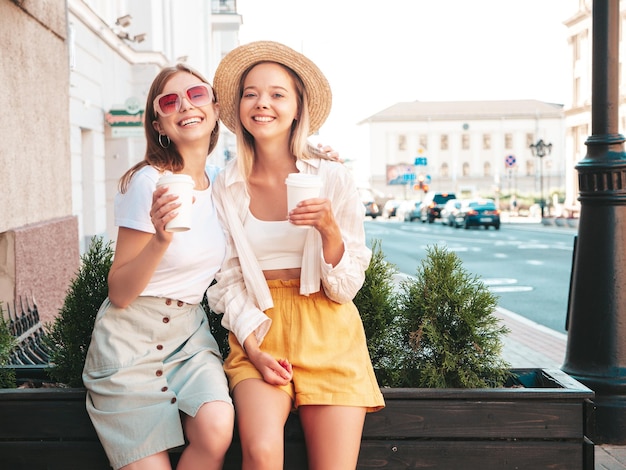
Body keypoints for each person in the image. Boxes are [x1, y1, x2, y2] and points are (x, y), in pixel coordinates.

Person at [207, 40, 385, 470]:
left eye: (276, 93)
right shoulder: (225, 188)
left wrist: (327, 228)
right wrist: (253, 348)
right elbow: (227, 280)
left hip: (328, 329)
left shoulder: (332, 177)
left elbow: (347, 287)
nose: (262, 103)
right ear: (239, 107)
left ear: (297, 108)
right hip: (260, 327)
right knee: (263, 453)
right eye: (251, 93)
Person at [82, 64, 234, 470]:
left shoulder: (223, 184)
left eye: (197, 94)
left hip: (188, 336)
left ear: (215, 108)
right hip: (129, 339)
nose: (186, 104)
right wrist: (161, 238)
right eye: (170, 100)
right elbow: (120, 291)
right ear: (159, 123)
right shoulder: (148, 183)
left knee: (216, 425)